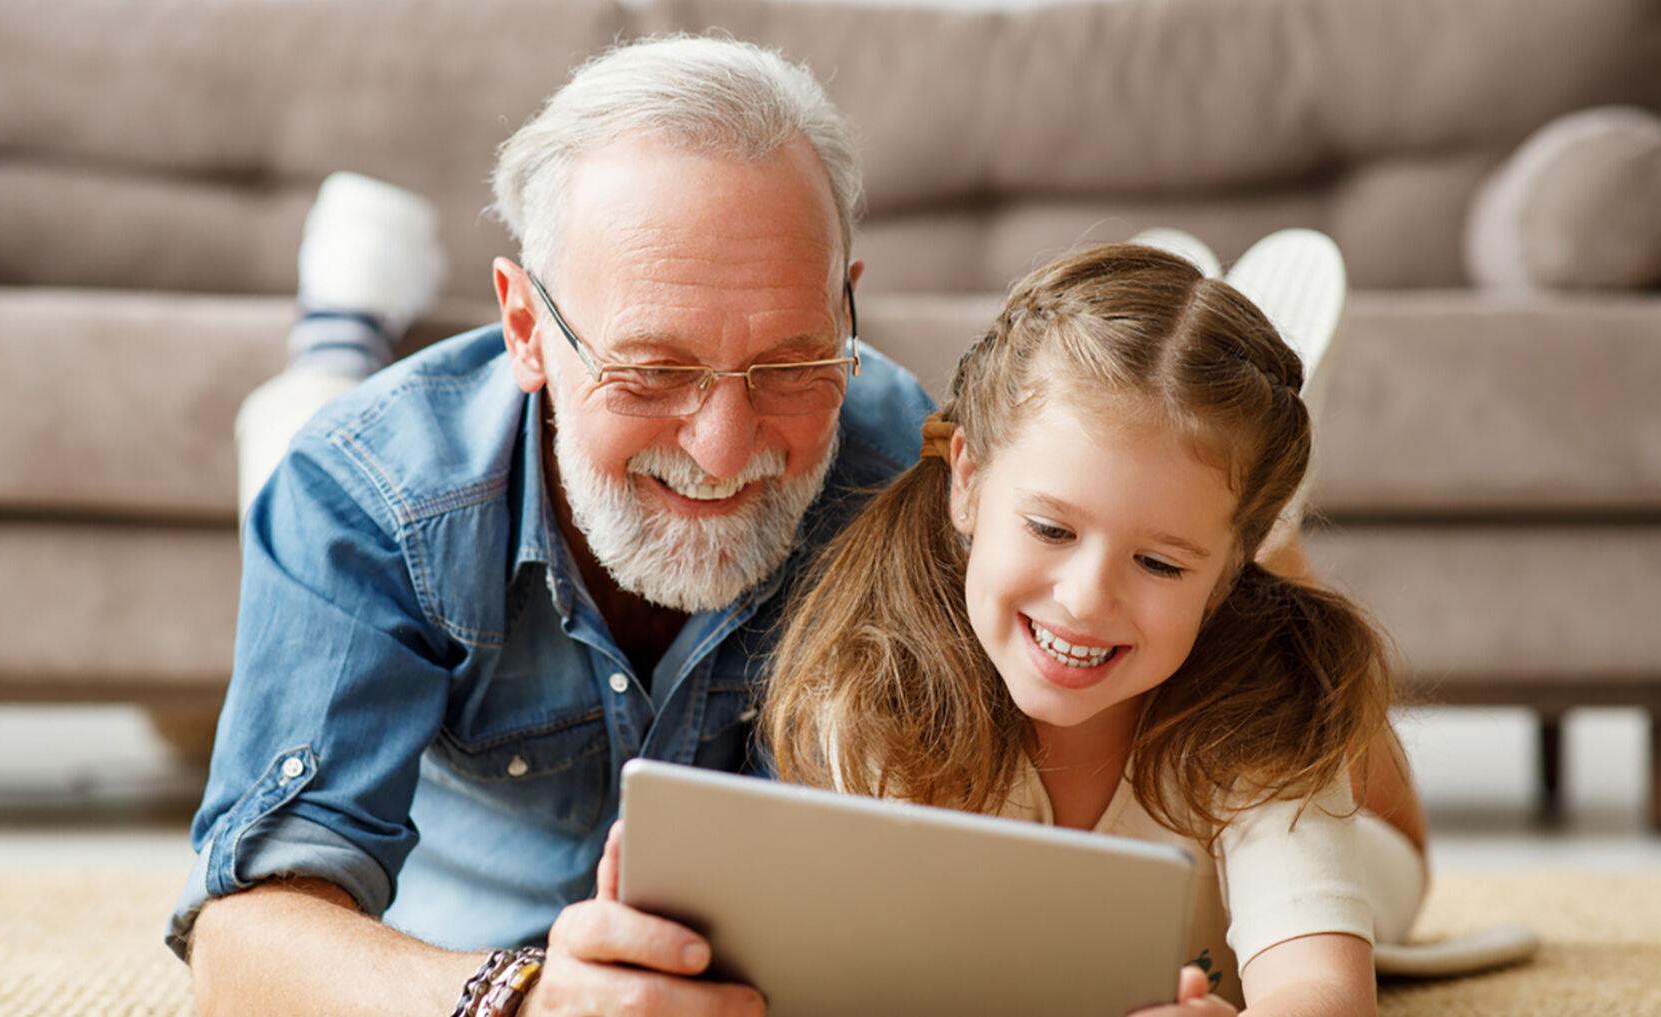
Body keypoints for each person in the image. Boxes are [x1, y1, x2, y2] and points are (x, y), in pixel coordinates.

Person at [167, 36, 934, 1017]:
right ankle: (340, 320)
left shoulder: (908, 472)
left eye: (791, 362)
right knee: (290, 433)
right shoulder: (366, 492)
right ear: (526, 330)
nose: (725, 447)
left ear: (846, 306)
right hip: (447, 955)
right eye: (653, 370)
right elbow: (239, 949)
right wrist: (523, 1002)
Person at [759, 242, 1509, 1015]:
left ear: (1221, 577)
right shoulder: (882, 691)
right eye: (1051, 528)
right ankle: (1225, 513)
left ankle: (1270, 538)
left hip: (1340, 814)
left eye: (1157, 562)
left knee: (1366, 818)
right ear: (969, 486)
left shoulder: (1263, 717)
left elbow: (1322, 988)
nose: (1084, 600)